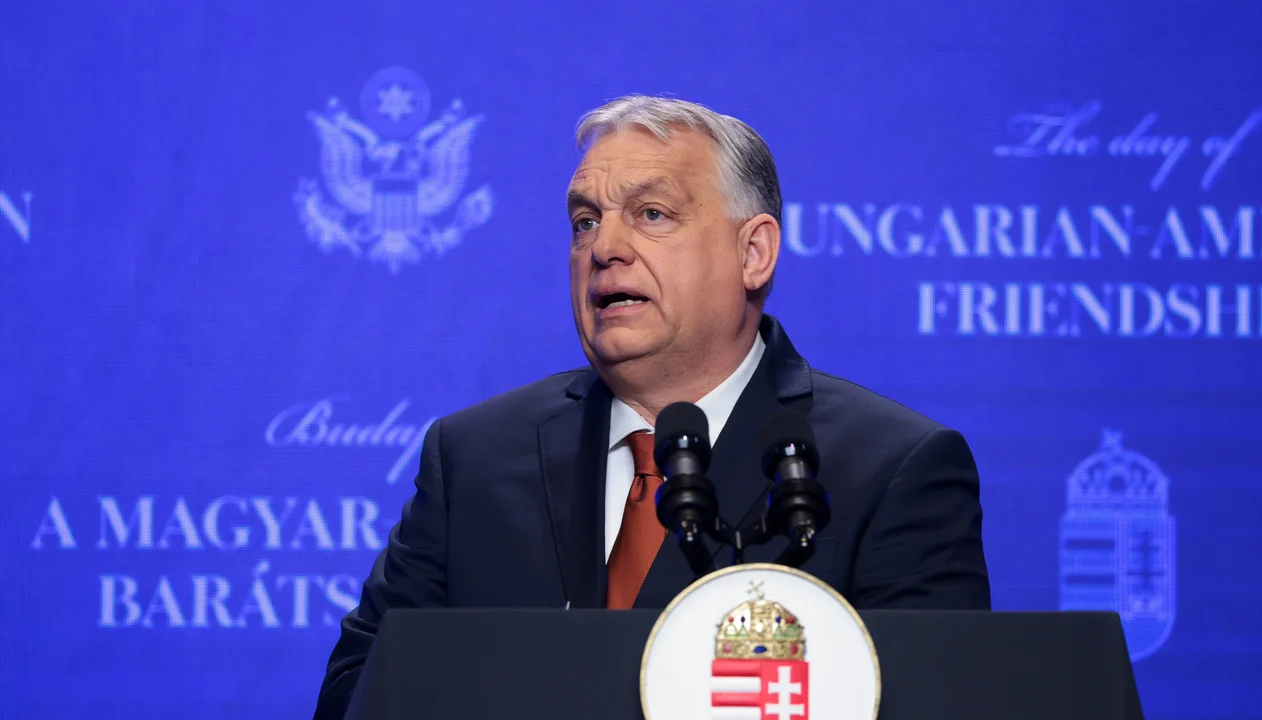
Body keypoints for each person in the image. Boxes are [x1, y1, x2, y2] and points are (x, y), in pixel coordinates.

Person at [312, 95, 990, 718]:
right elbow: (356, 693)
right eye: (585, 222)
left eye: (652, 215)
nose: (604, 248)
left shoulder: (891, 469)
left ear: (754, 253)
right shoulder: (475, 458)